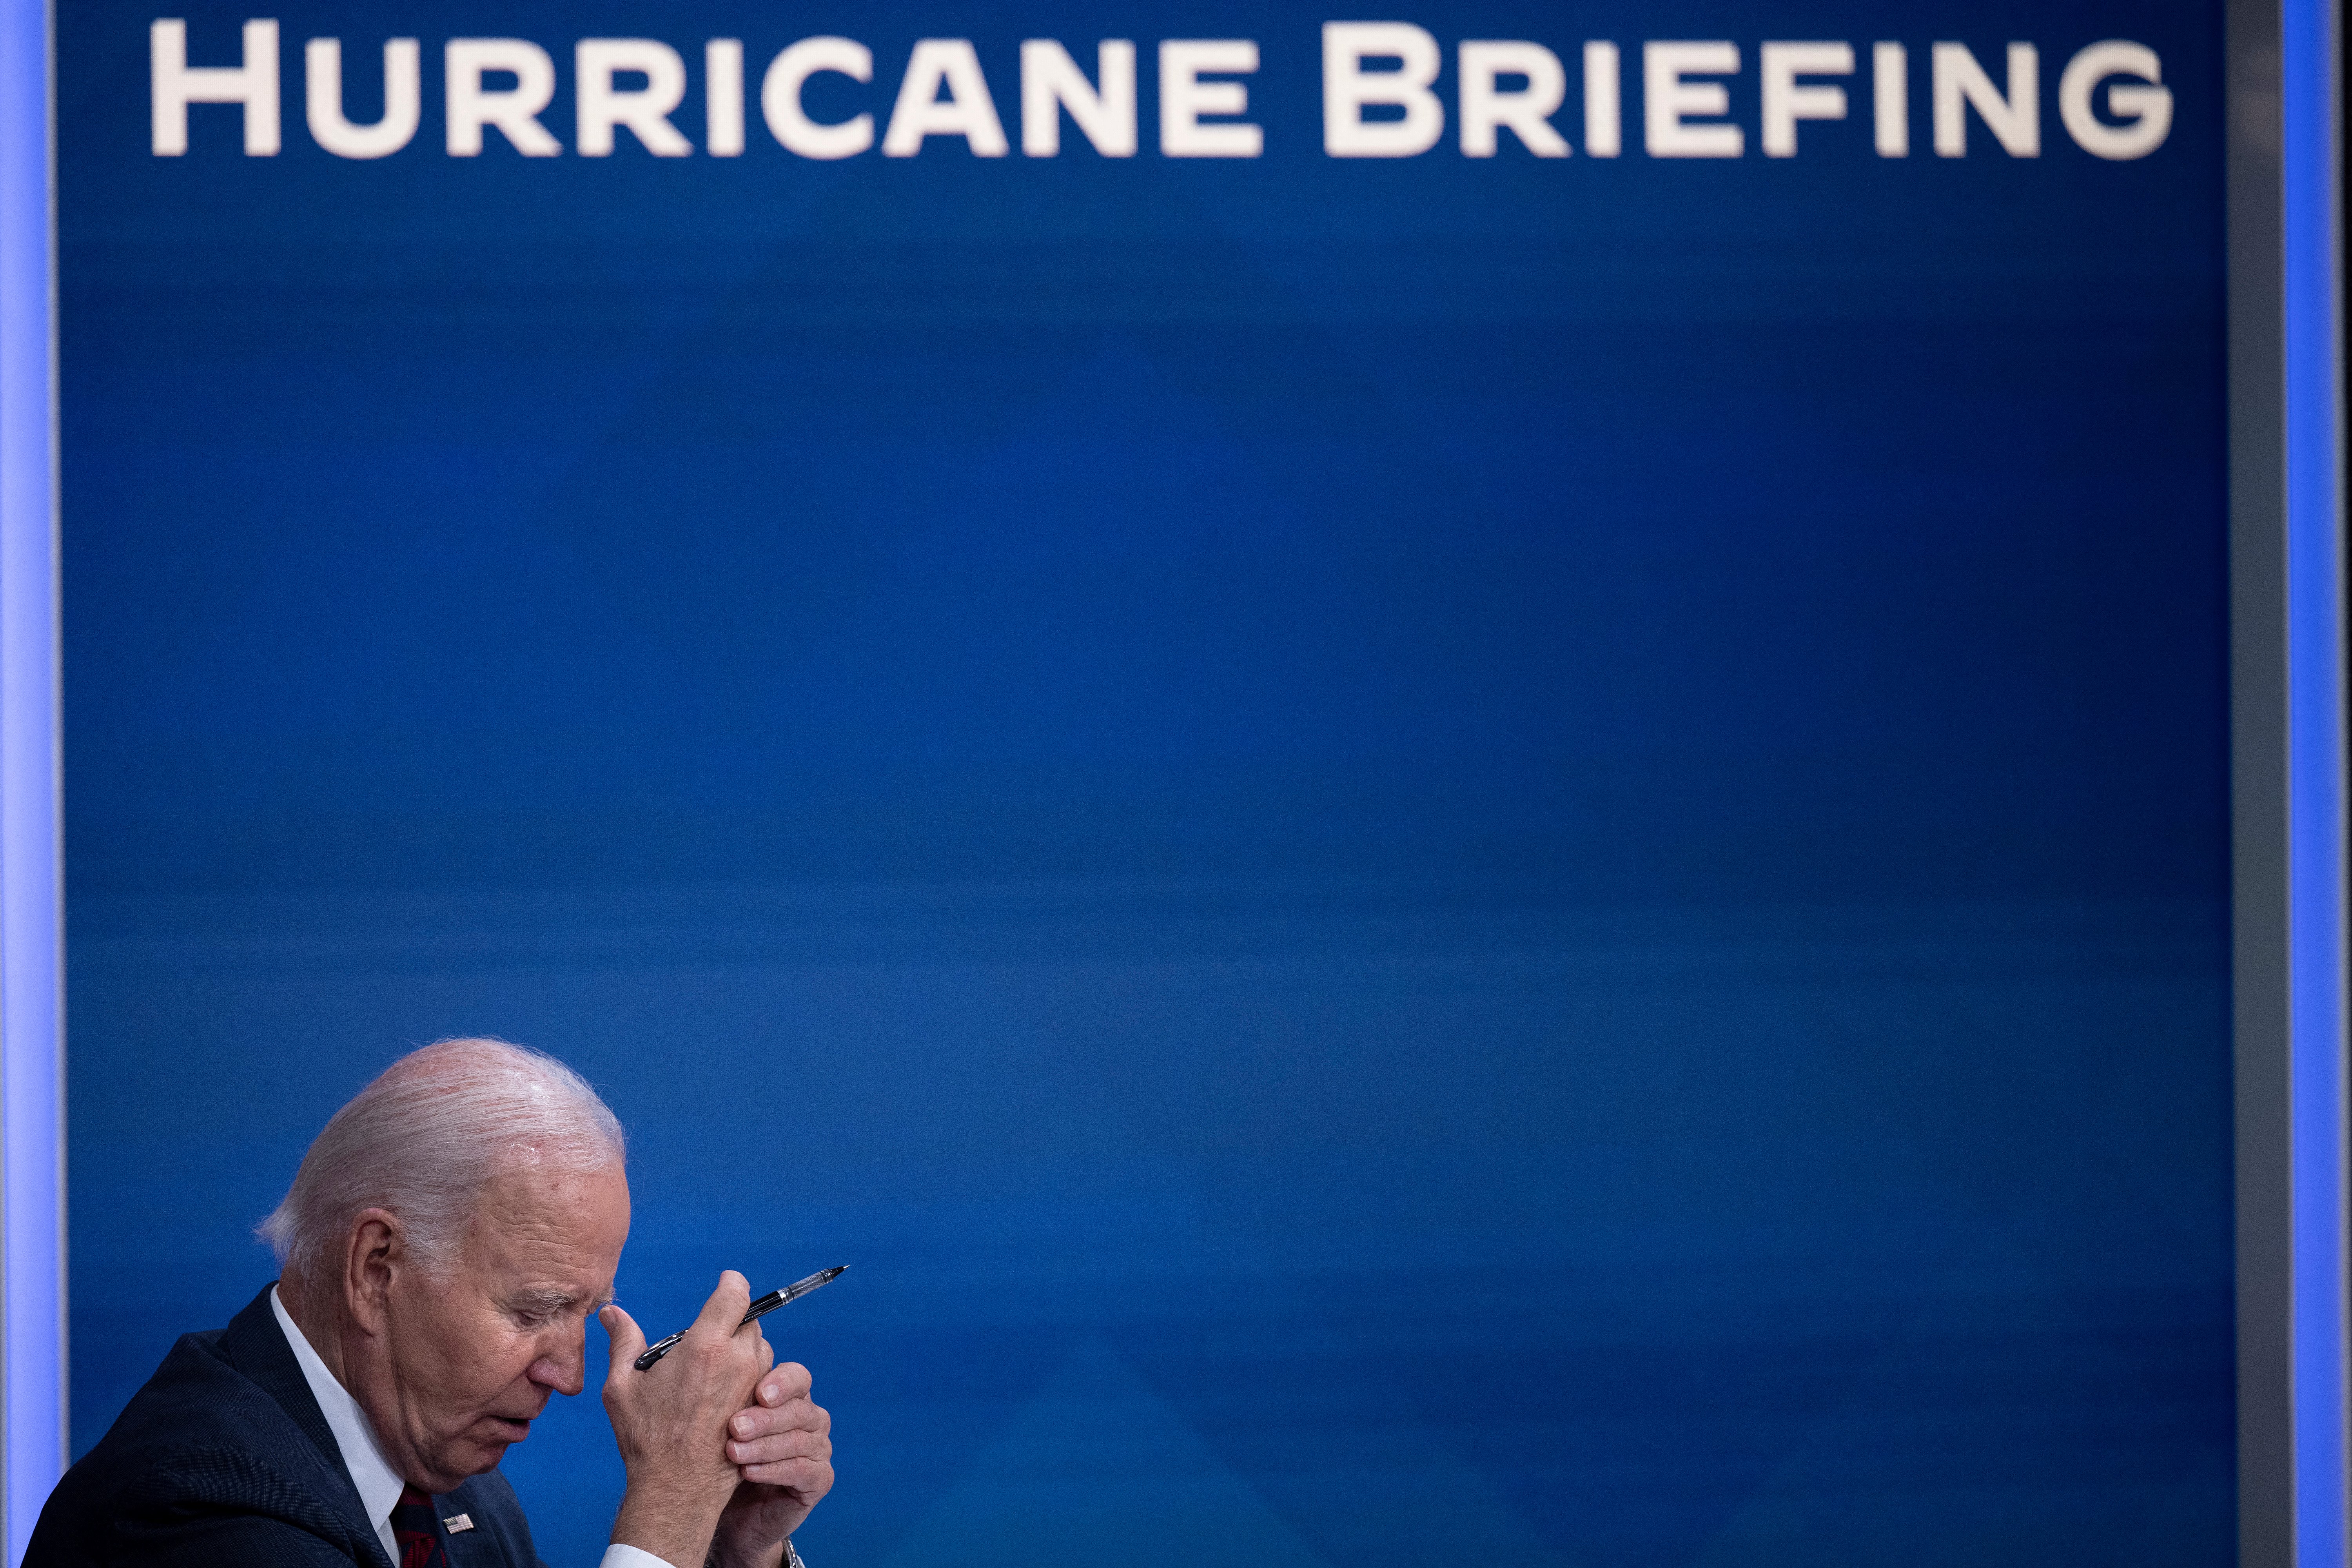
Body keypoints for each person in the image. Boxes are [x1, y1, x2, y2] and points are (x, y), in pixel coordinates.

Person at [26, 1037, 833, 1568]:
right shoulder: (192, 1505)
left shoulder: (463, 1498)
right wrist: (668, 1507)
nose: (570, 1374)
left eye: (585, 1314)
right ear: (377, 1267)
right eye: (531, 1310)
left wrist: (731, 1549)